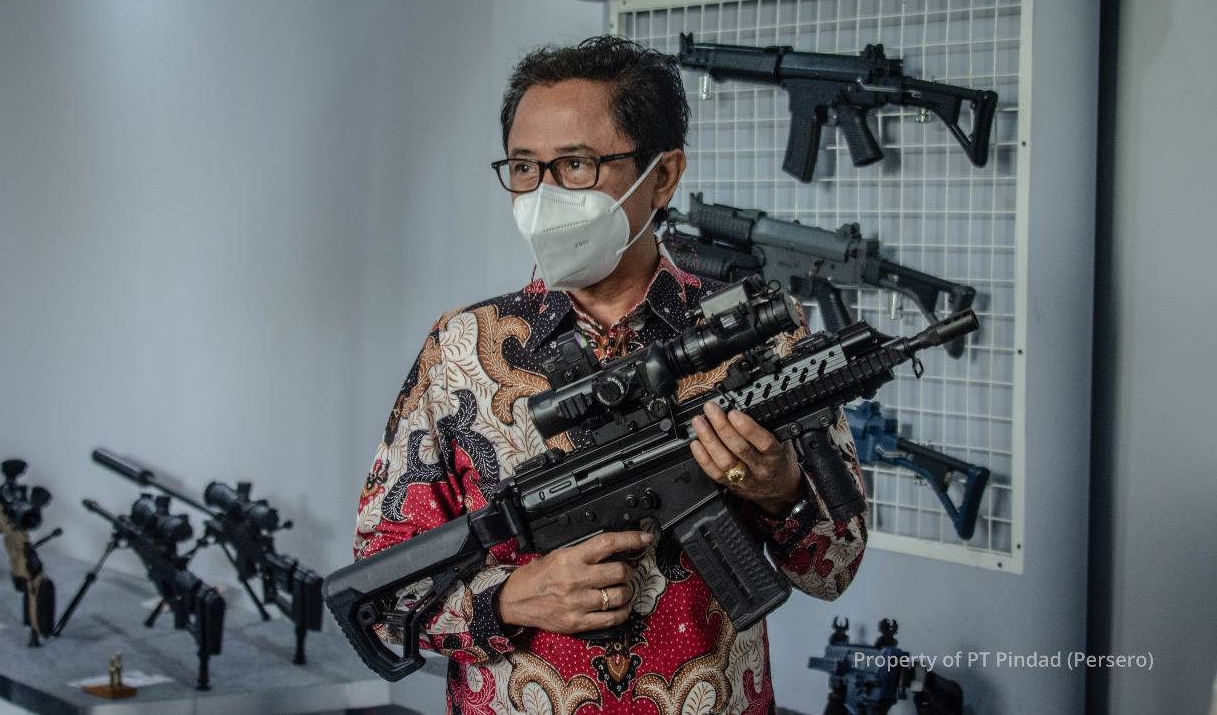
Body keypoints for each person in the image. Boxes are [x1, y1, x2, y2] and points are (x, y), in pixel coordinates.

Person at [353, 36, 867, 715]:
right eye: (524, 167)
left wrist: (782, 492)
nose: (543, 195)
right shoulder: (463, 350)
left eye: (576, 164)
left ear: (664, 175)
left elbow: (834, 570)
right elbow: (381, 588)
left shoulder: (758, 332)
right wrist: (507, 599)